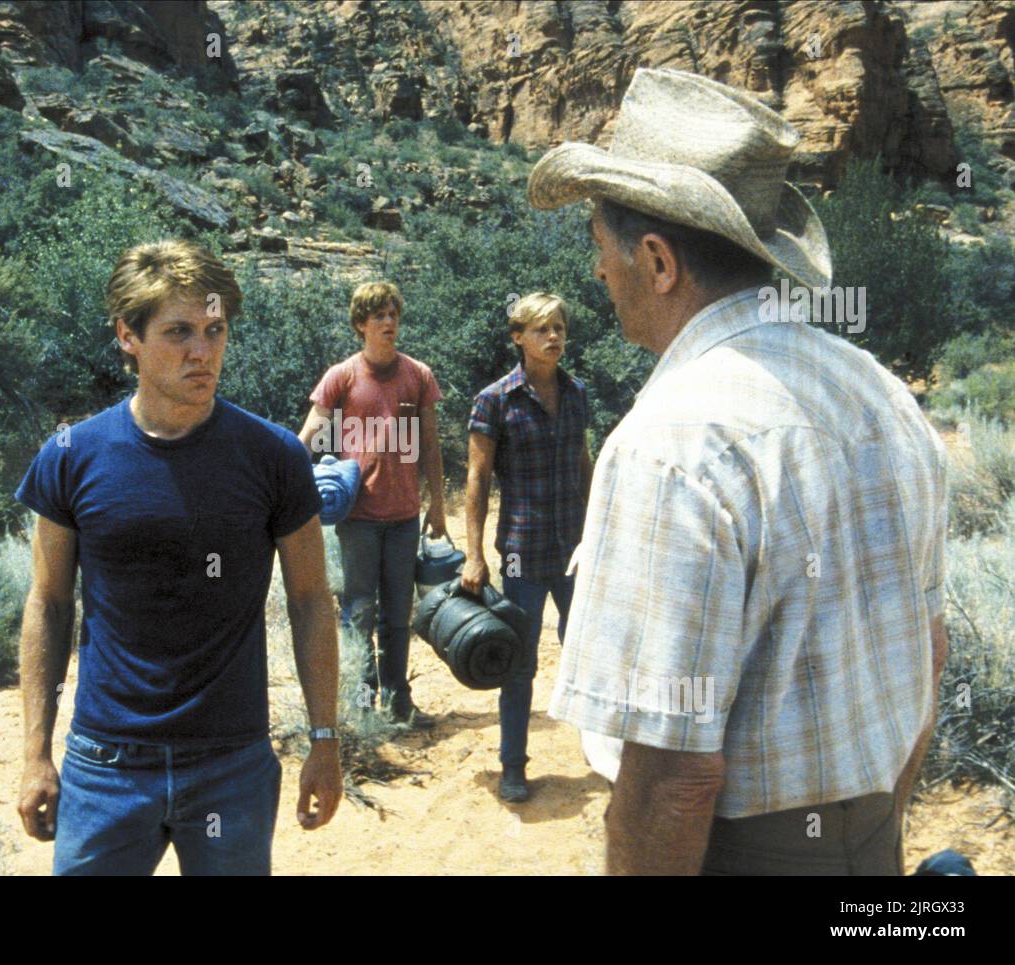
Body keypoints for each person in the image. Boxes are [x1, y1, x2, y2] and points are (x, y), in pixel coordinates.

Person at [529, 68, 949, 875]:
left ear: (657, 261)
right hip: (870, 844)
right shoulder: (883, 392)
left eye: (598, 249)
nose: (596, 275)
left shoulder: (669, 443)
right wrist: (876, 831)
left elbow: (674, 778)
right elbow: (927, 652)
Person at [15, 239, 342, 876]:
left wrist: (324, 740)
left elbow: (310, 600)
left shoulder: (273, 457)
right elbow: (48, 604)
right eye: (179, 332)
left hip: (232, 762)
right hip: (106, 763)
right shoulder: (73, 455)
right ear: (127, 337)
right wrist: (35, 753)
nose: (203, 351)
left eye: (215, 330)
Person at [463, 293, 592, 802]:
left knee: (588, 651)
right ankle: (513, 766)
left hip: (574, 549)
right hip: (522, 551)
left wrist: (598, 527)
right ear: (518, 337)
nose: (554, 337)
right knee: (520, 664)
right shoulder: (494, 400)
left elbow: (583, 462)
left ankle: (605, 755)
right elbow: (476, 478)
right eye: (541, 329)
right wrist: (473, 554)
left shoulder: (576, 391)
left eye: (559, 327)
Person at [298, 282, 445, 726]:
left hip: (404, 516)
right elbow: (308, 434)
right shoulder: (341, 375)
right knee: (360, 611)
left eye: (393, 314)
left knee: (398, 614)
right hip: (358, 516)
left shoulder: (418, 375)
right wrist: (279, 473)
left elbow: (431, 444)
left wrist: (437, 504)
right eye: (378, 315)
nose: (388, 323)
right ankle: (363, 709)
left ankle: (400, 704)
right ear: (360, 324)